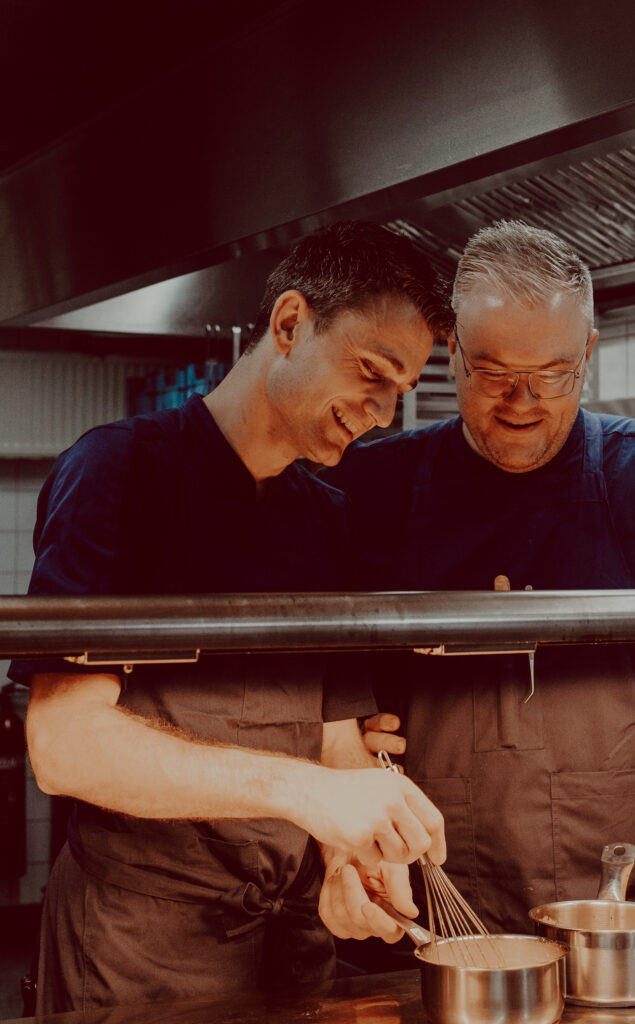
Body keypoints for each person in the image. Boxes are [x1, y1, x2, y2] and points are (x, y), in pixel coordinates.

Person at [10, 221, 455, 1013]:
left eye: (400, 390)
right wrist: (306, 794)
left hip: (292, 942)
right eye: (371, 373)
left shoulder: (325, 517)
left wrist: (353, 861)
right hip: (139, 950)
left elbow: (335, 738)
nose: (384, 414)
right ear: (290, 324)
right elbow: (64, 745)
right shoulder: (120, 474)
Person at [321, 220, 635, 962]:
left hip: (632, 926)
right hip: (423, 922)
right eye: (494, 372)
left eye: (553, 373)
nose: (522, 402)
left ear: (588, 355)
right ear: (453, 354)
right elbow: (320, 699)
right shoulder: (370, 487)